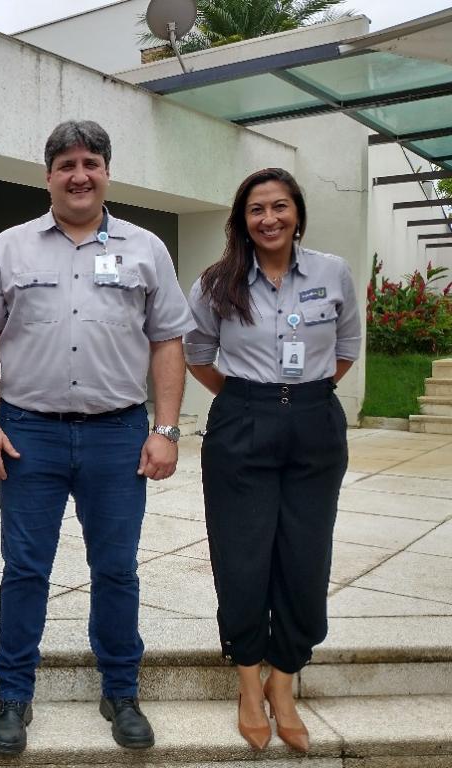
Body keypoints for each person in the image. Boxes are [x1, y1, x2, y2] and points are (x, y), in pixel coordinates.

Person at [0, 120, 195, 755]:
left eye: (90, 162)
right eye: (66, 164)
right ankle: (13, 695)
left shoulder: (146, 247)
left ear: (106, 172)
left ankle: (121, 690)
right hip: (28, 434)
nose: (79, 175)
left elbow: (168, 339)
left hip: (117, 435)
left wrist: (166, 429)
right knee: (25, 569)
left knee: (116, 569)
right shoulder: (11, 246)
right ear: (48, 176)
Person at [184, 167, 361, 753]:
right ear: (242, 220)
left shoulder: (332, 272)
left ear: (297, 213)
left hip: (314, 423)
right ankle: (248, 686)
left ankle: (284, 680)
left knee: (305, 556)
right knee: (242, 556)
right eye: (257, 209)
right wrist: (249, 400)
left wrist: (298, 398)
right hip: (241, 421)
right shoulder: (218, 282)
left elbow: (345, 349)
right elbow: (198, 353)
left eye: (279, 207)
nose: (269, 219)